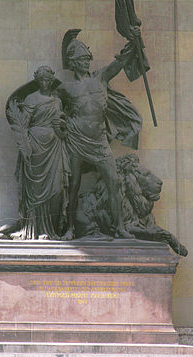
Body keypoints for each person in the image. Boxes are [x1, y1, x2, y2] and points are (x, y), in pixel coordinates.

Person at [57, 27, 144, 240]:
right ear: (72, 62)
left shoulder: (101, 77)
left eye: (88, 58)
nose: (87, 62)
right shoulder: (65, 89)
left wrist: (134, 39)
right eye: (82, 59)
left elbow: (121, 62)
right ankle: (70, 228)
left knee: (113, 181)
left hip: (99, 140)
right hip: (76, 141)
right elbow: (52, 110)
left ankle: (120, 227)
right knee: (73, 185)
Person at [0, 66, 69, 249]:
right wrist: (25, 146)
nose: (46, 82)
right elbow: (23, 125)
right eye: (42, 79)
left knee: (57, 188)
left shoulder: (57, 101)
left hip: (54, 147)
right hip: (35, 147)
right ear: (38, 80)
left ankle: (51, 230)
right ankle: (36, 230)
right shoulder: (31, 99)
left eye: (48, 79)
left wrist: (63, 128)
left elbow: (61, 126)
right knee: (35, 190)